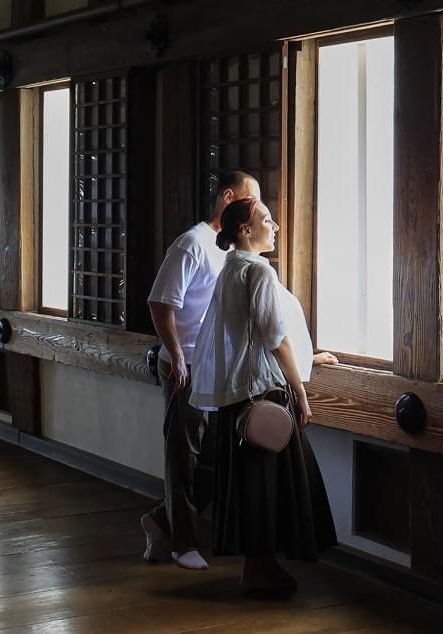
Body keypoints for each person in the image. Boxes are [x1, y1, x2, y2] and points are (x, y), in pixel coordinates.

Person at [189, 196, 338, 596]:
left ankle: (258, 567)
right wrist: (300, 392)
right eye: (267, 220)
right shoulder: (258, 271)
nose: (275, 226)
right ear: (245, 229)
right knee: (268, 484)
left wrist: (309, 356)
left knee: (252, 485)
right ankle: (259, 570)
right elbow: (275, 337)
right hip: (263, 393)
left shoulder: (231, 268)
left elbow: (248, 335)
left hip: (239, 396)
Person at [142, 170, 261, 570]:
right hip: (187, 365)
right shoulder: (193, 243)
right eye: (249, 199)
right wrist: (176, 355)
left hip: (217, 367)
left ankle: (162, 520)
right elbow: (161, 303)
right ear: (228, 197)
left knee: (214, 459)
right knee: (183, 456)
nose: (255, 208)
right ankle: (182, 544)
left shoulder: (234, 248)